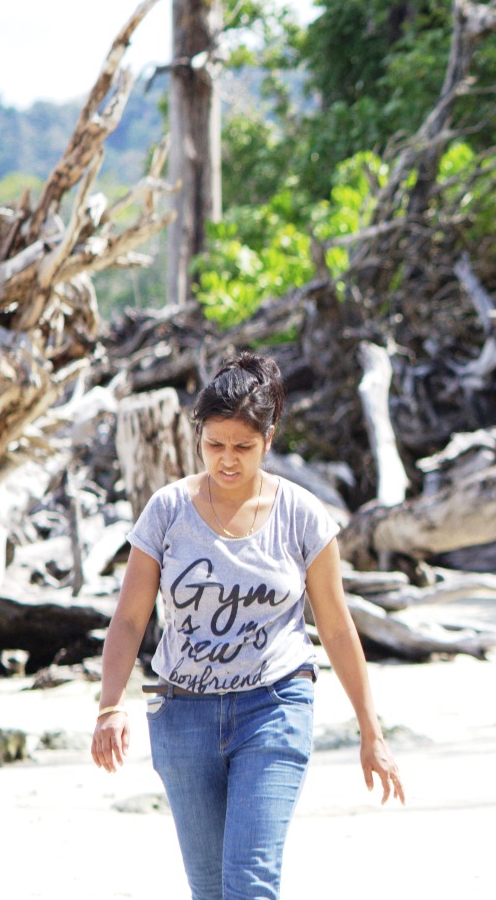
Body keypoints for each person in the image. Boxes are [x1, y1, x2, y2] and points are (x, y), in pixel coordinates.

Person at [91, 352, 405, 900]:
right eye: (214, 445)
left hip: (275, 708)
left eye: (243, 447)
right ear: (198, 436)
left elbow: (335, 629)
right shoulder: (167, 512)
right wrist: (110, 705)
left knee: (250, 882)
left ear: (268, 439)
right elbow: (130, 618)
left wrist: (370, 732)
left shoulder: (303, 516)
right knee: (210, 889)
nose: (227, 460)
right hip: (182, 714)